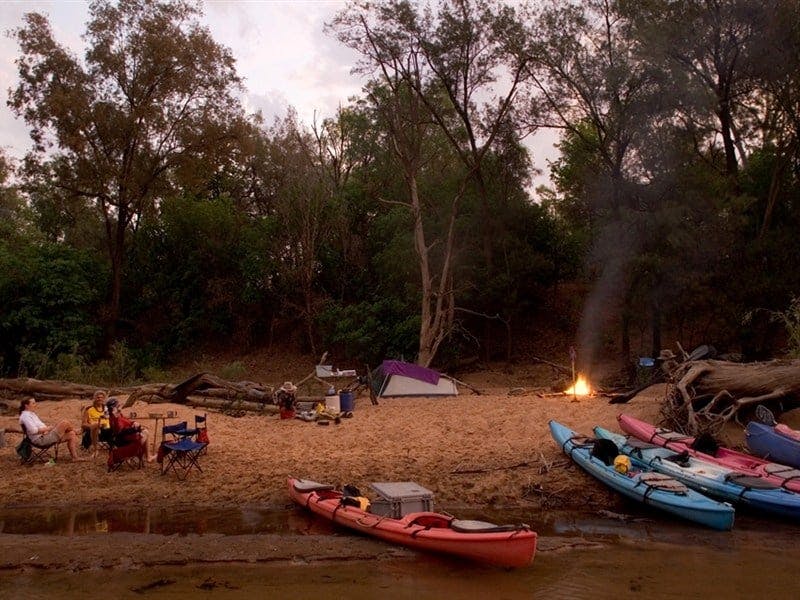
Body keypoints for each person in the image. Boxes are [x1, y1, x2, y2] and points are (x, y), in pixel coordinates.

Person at [18, 397, 86, 462]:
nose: (35, 405)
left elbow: (39, 427)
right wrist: (47, 429)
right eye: (33, 403)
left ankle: (75, 457)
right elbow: (33, 430)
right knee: (65, 423)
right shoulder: (25, 416)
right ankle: (77, 432)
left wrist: (47, 430)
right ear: (26, 405)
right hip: (41, 440)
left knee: (71, 434)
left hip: (44, 435)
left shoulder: (31, 414)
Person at [106, 398, 156, 462]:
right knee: (145, 432)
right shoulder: (112, 418)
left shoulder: (119, 415)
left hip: (127, 436)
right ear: (114, 407)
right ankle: (135, 454)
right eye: (118, 405)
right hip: (122, 440)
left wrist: (133, 422)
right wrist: (116, 416)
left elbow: (126, 421)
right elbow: (119, 430)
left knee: (144, 431)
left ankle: (147, 456)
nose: (120, 407)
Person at [82, 390, 111, 458]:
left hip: (108, 430)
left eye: (101, 397)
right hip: (94, 431)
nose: (100, 399)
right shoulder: (89, 409)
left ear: (104, 399)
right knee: (96, 427)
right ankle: (95, 450)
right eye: (98, 397)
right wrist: (92, 426)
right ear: (94, 398)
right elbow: (83, 424)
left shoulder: (107, 409)